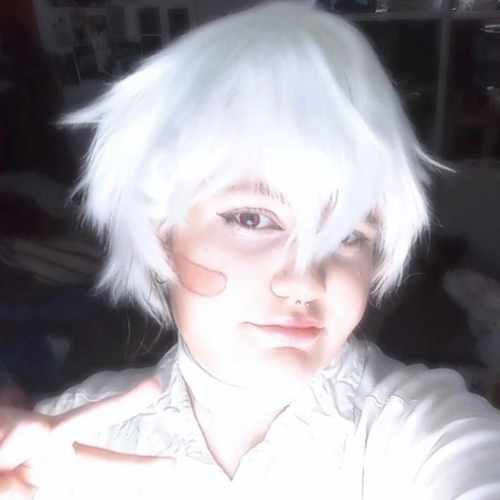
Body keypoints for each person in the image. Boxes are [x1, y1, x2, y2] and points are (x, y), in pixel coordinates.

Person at [2, 2, 500, 499]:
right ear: (162, 233)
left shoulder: (424, 432)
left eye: (349, 235)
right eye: (252, 219)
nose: (306, 282)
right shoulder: (61, 442)